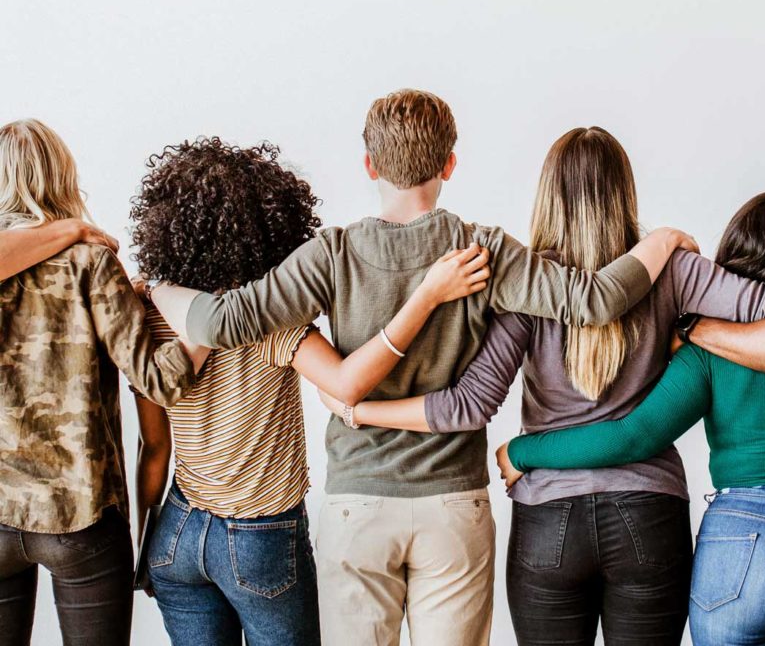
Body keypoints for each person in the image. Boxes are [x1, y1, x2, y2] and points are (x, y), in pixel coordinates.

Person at [149, 92, 695, 646]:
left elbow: (220, 321)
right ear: (449, 164)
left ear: (369, 165)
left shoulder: (331, 254)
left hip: (356, 505)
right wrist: (663, 240)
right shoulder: (481, 250)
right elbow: (595, 299)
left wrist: (158, 288)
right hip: (452, 503)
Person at [319, 129, 765, 646]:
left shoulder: (528, 282)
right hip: (649, 515)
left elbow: (469, 405)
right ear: (624, 192)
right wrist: (693, 321)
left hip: (549, 520)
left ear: (548, 194)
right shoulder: (674, 270)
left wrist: (361, 409)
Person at [129, 136, 489, 646]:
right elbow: (347, 384)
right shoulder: (275, 322)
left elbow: (153, 448)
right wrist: (426, 297)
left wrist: (146, 544)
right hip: (260, 537)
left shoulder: (150, 317)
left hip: (177, 530)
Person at [499, 191, 765, 646]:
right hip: (651, 523)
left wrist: (522, 449)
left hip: (741, 545)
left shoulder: (706, 358)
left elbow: (632, 436)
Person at [0, 120, 206, 646]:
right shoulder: (91, 262)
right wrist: (212, 322)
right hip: (81, 513)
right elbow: (159, 383)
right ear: (61, 175)